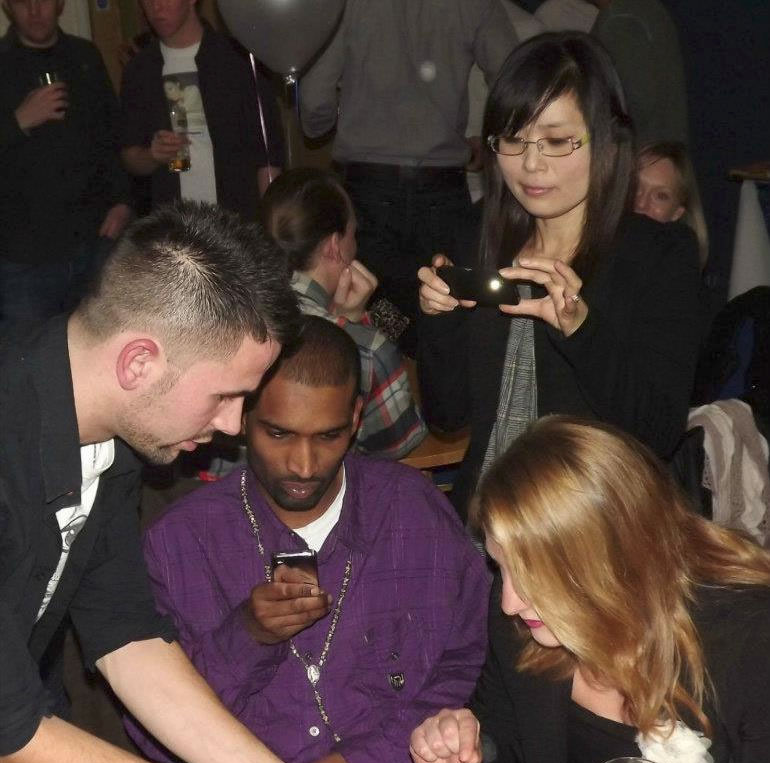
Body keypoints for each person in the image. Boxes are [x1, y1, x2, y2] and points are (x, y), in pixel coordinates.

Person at [0, 202, 376, 763]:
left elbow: (126, 635)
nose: (233, 426)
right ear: (139, 361)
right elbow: (15, 738)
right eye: (226, 396)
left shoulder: (112, 430)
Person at [134, 315, 503, 763]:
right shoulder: (182, 542)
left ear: (356, 418)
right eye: (279, 434)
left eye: (328, 436)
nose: (304, 465)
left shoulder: (412, 511)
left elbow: (472, 670)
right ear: (241, 417)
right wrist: (245, 637)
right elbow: (154, 732)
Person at [410, 415, 770, 763]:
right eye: (502, 568)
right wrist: (465, 760)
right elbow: (505, 725)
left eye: (533, 576)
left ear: (609, 560)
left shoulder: (750, 644)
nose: (509, 603)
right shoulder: (527, 623)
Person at [417, 31, 701, 521]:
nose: (531, 164)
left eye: (555, 141)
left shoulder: (657, 255)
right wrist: (438, 317)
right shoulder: (475, 236)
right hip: (485, 526)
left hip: (598, 531)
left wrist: (581, 329)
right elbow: (447, 418)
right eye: (513, 139)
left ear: (607, 141)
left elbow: (656, 433)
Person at [299, 0, 517, 353]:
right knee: (444, 317)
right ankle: (423, 366)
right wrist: (498, 143)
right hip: (442, 191)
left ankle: (388, 367)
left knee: (367, 312)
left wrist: (320, 123)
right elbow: (517, 79)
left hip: (368, 190)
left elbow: (314, 98)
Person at [261, 169, 427, 459]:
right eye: (353, 233)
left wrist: (348, 319)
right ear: (335, 247)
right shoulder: (367, 347)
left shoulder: (230, 314)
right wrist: (357, 326)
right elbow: (400, 443)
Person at [0, 0, 132, 324]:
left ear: (60, 3)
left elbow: (112, 135)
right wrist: (18, 121)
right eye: (23, 1)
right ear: (6, 6)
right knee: (29, 352)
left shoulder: (84, 56)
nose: (34, 10)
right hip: (23, 257)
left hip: (94, 242)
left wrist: (123, 200)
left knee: (97, 348)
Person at [119, 0, 283, 219]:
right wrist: (153, 156)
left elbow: (268, 156)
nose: (156, 7)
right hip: (174, 222)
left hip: (237, 218)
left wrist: (269, 224)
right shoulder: (139, 71)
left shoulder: (238, 60)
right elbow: (129, 154)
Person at [589, 0, 688, 145]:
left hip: (643, 151)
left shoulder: (620, 21)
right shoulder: (644, 8)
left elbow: (637, 107)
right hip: (663, 150)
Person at [635, 141, 709, 269]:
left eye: (660, 196)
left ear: (677, 213)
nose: (641, 203)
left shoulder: (674, 265)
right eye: (635, 186)